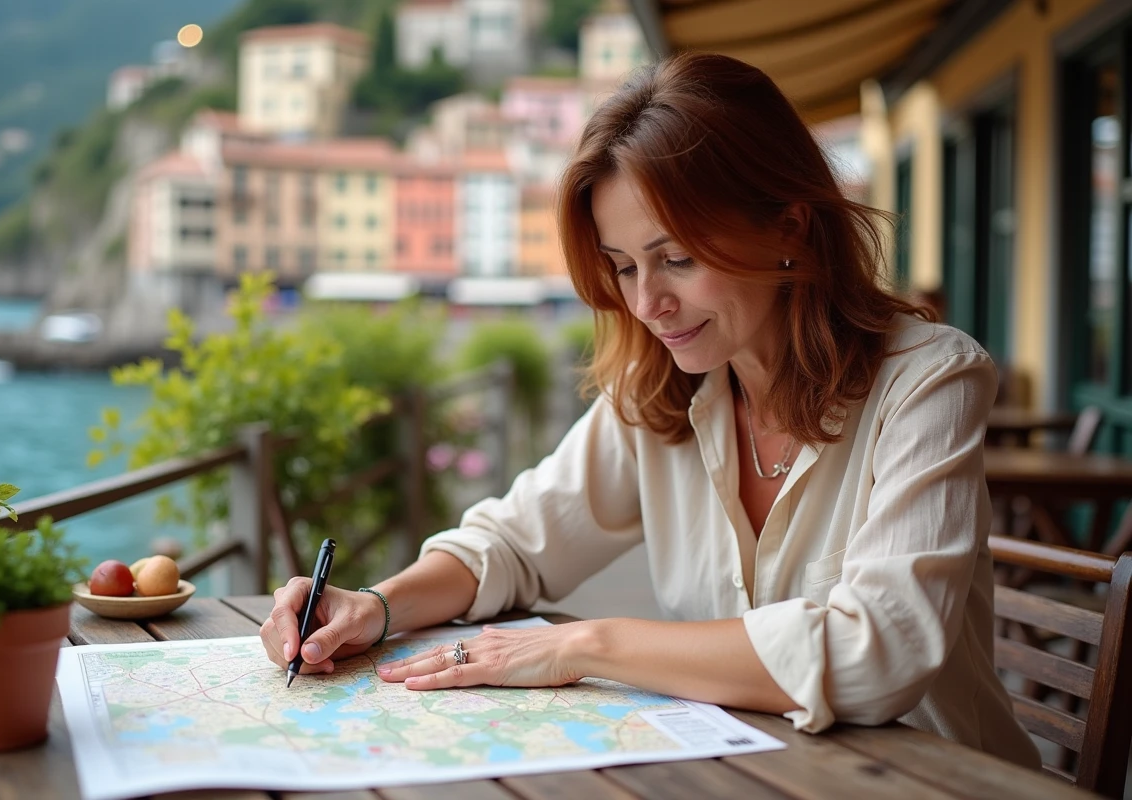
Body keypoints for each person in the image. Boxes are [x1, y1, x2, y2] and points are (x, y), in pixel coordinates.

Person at [260, 52, 1040, 769]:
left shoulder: (928, 379)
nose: (647, 303)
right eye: (624, 266)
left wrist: (587, 645)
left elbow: (879, 653)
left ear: (790, 229)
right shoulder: (664, 393)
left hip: (935, 782)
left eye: (678, 259)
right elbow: (513, 545)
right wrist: (375, 605)